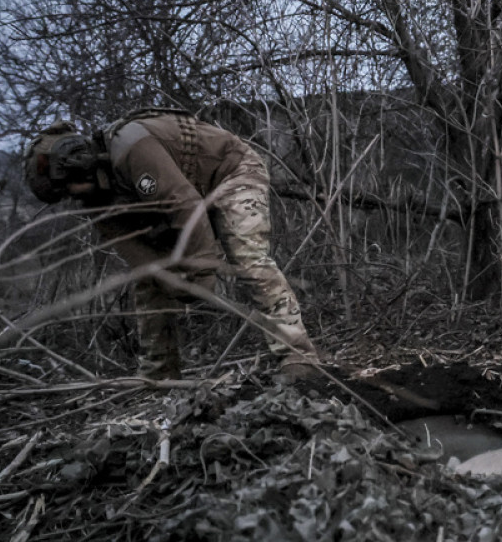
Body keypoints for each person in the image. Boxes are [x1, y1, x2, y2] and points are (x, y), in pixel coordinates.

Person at [23, 108, 323, 381]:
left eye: (69, 186)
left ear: (77, 163)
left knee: (248, 257)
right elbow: (136, 253)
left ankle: (298, 356)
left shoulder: (130, 147)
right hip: (181, 198)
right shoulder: (93, 198)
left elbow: (186, 206)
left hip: (230, 173)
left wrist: (200, 278)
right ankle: (159, 374)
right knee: (148, 281)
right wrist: (168, 277)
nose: (73, 194)